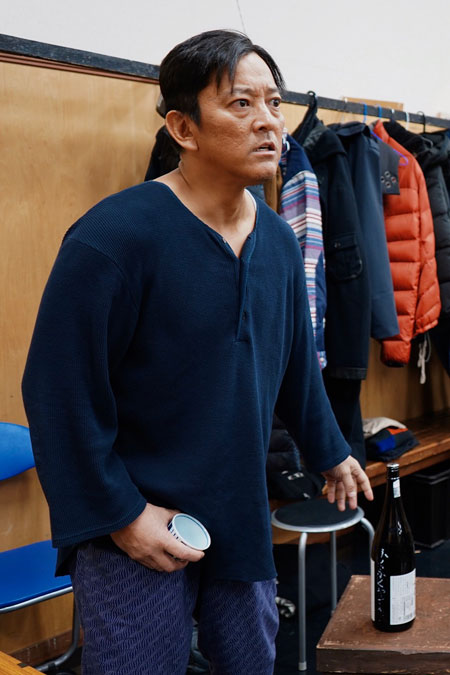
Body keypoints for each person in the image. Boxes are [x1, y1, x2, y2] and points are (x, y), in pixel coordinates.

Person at [22, 29, 373, 675]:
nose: (269, 122)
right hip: (136, 517)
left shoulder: (276, 239)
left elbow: (295, 362)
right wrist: (122, 515)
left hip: (239, 506)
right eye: (241, 104)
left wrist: (330, 451)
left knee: (251, 661)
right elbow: (57, 391)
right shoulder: (114, 236)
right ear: (183, 128)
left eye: (274, 102)